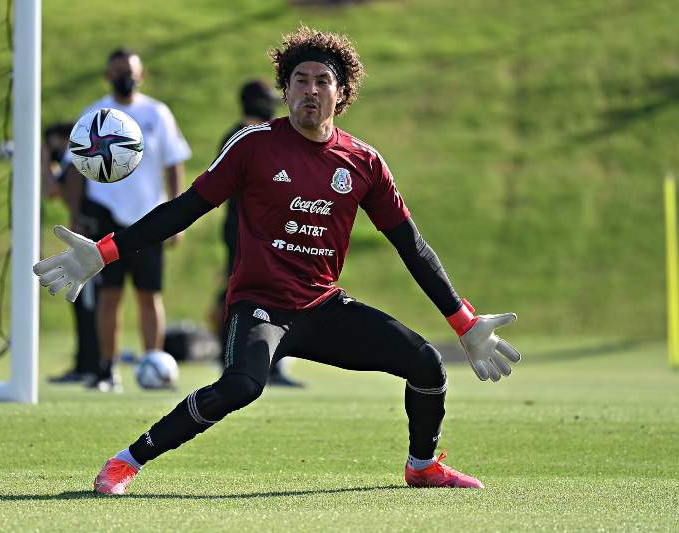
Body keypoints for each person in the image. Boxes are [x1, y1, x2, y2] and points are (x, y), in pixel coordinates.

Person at [34, 26, 522, 493]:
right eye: (300, 81)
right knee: (242, 386)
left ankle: (423, 466)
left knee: (427, 366)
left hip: (323, 307)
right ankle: (126, 461)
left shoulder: (364, 163)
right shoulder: (253, 146)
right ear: (285, 90)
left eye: (323, 81)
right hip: (260, 306)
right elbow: (186, 208)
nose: (310, 91)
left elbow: (410, 245)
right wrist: (104, 252)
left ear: (343, 93)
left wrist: (463, 321)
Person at [61, 48, 191, 392]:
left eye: (130, 70)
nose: (125, 77)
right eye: (118, 71)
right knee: (111, 296)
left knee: (150, 295)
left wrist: (176, 215)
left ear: (141, 74)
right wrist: (76, 216)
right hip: (106, 218)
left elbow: (174, 162)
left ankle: (155, 366)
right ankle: (107, 369)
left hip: (149, 218)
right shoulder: (93, 115)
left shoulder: (157, 113)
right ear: (107, 76)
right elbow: (72, 168)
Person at [212, 79, 304, 387]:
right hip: (244, 232)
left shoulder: (272, 137)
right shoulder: (240, 138)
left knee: (280, 293)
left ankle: (271, 363)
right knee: (244, 295)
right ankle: (238, 361)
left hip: (275, 232)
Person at [41, 122, 102, 384]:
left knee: (90, 304)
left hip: (91, 240)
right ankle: (85, 364)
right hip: (87, 239)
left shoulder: (78, 162)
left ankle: (92, 366)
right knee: (84, 305)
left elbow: (51, 190)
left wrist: (44, 160)